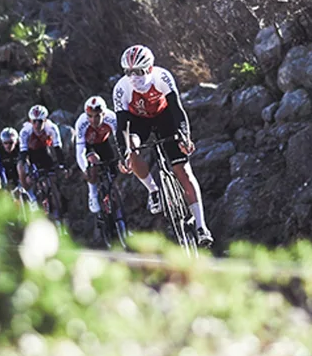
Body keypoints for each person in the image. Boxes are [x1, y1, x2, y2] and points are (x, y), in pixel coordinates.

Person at [112, 44, 213, 247]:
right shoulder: (121, 88)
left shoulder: (162, 77)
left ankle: (202, 226)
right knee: (131, 146)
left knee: (183, 171)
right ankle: (153, 190)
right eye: (128, 72)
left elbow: (177, 110)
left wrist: (185, 136)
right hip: (138, 122)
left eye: (138, 72)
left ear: (150, 69)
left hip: (165, 117)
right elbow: (122, 125)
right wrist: (125, 153)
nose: (133, 77)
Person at [17, 104, 68, 211]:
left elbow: (57, 148)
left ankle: (59, 201)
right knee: (22, 168)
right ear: (30, 121)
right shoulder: (25, 131)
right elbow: (23, 153)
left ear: (45, 120)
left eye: (40, 121)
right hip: (30, 153)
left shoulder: (52, 128)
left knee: (54, 177)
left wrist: (62, 165)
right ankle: (31, 197)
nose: (36, 124)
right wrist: (28, 171)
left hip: (45, 151)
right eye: (33, 121)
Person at [74, 95, 118, 214]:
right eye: (90, 116)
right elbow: (80, 151)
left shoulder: (112, 117)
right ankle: (92, 194)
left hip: (104, 143)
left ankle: (113, 201)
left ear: (104, 114)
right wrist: (85, 168)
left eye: (97, 116)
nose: (93, 120)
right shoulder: (81, 122)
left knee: (114, 171)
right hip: (89, 145)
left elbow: (120, 140)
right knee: (93, 162)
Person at [0, 127, 21, 194]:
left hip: (18, 174)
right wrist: (5, 183)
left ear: (15, 142)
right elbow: (0, 168)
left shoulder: (19, 149)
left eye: (11, 143)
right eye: (5, 143)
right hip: (3, 175)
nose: (8, 146)